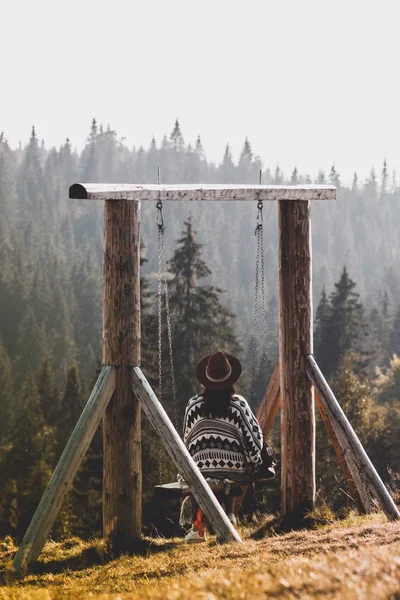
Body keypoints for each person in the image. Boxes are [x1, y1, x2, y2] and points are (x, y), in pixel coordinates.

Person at [182, 350, 264, 542]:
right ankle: (230, 516)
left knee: (199, 473)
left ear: (206, 380)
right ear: (231, 380)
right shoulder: (238, 405)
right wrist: (254, 462)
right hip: (234, 471)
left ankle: (198, 527)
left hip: (201, 471)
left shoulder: (193, 405)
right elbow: (253, 438)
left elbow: (187, 440)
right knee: (230, 468)